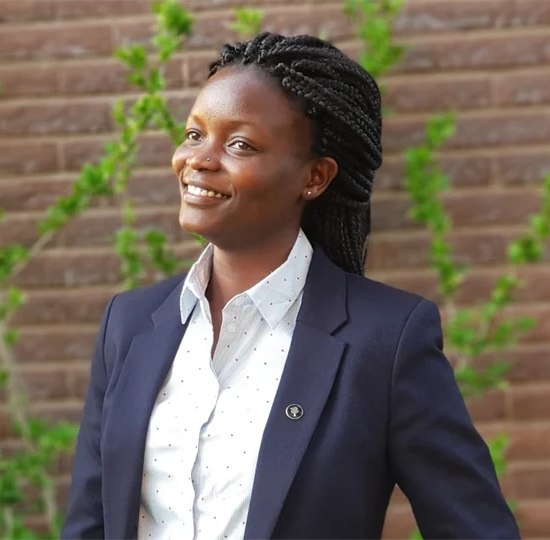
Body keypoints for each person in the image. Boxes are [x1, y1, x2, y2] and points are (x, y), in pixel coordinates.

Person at [61, 32, 519, 540]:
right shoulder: (128, 325)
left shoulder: (384, 342)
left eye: (240, 144)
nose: (199, 159)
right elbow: (90, 524)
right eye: (194, 134)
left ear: (315, 176)